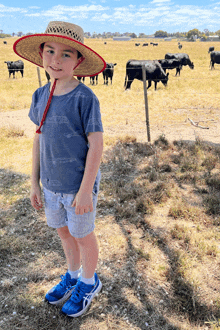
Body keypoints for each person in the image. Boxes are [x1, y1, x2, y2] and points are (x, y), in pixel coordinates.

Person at [13, 21, 106, 318]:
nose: (56, 59)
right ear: (41, 54)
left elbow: (97, 145)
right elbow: (39, 139)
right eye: (50, 51)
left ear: (79, 61)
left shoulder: (85, 98)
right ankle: (73, 274)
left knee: (83, 235)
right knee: (65, 234)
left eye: (66, 54)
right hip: (51, 186)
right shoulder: (40, 95)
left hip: (78, 188)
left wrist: (84, 191)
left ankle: (90, 282)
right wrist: (34, 183)